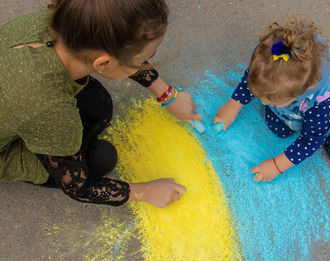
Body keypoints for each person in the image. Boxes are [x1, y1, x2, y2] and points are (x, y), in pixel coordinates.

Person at [0, 0, 202, 208]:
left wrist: (167, 95)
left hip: (22, 98)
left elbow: (124, 53)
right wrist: (145, 191)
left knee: (97, 105)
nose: (149, 58)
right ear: (103, 63)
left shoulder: (53, 22)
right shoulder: (51, 109)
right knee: (101, 158)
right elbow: (78, 187)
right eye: (148, 55)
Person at [213, 18, 330, 182]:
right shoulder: (270, 58)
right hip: (307, 110)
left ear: (303, 91)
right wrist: (232, 105)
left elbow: (311, 141)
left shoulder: (322, 101)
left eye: (271, 99)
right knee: (277, 127)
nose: (262, 102)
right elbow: (253, 80)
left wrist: (277, 166)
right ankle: (295, 112)